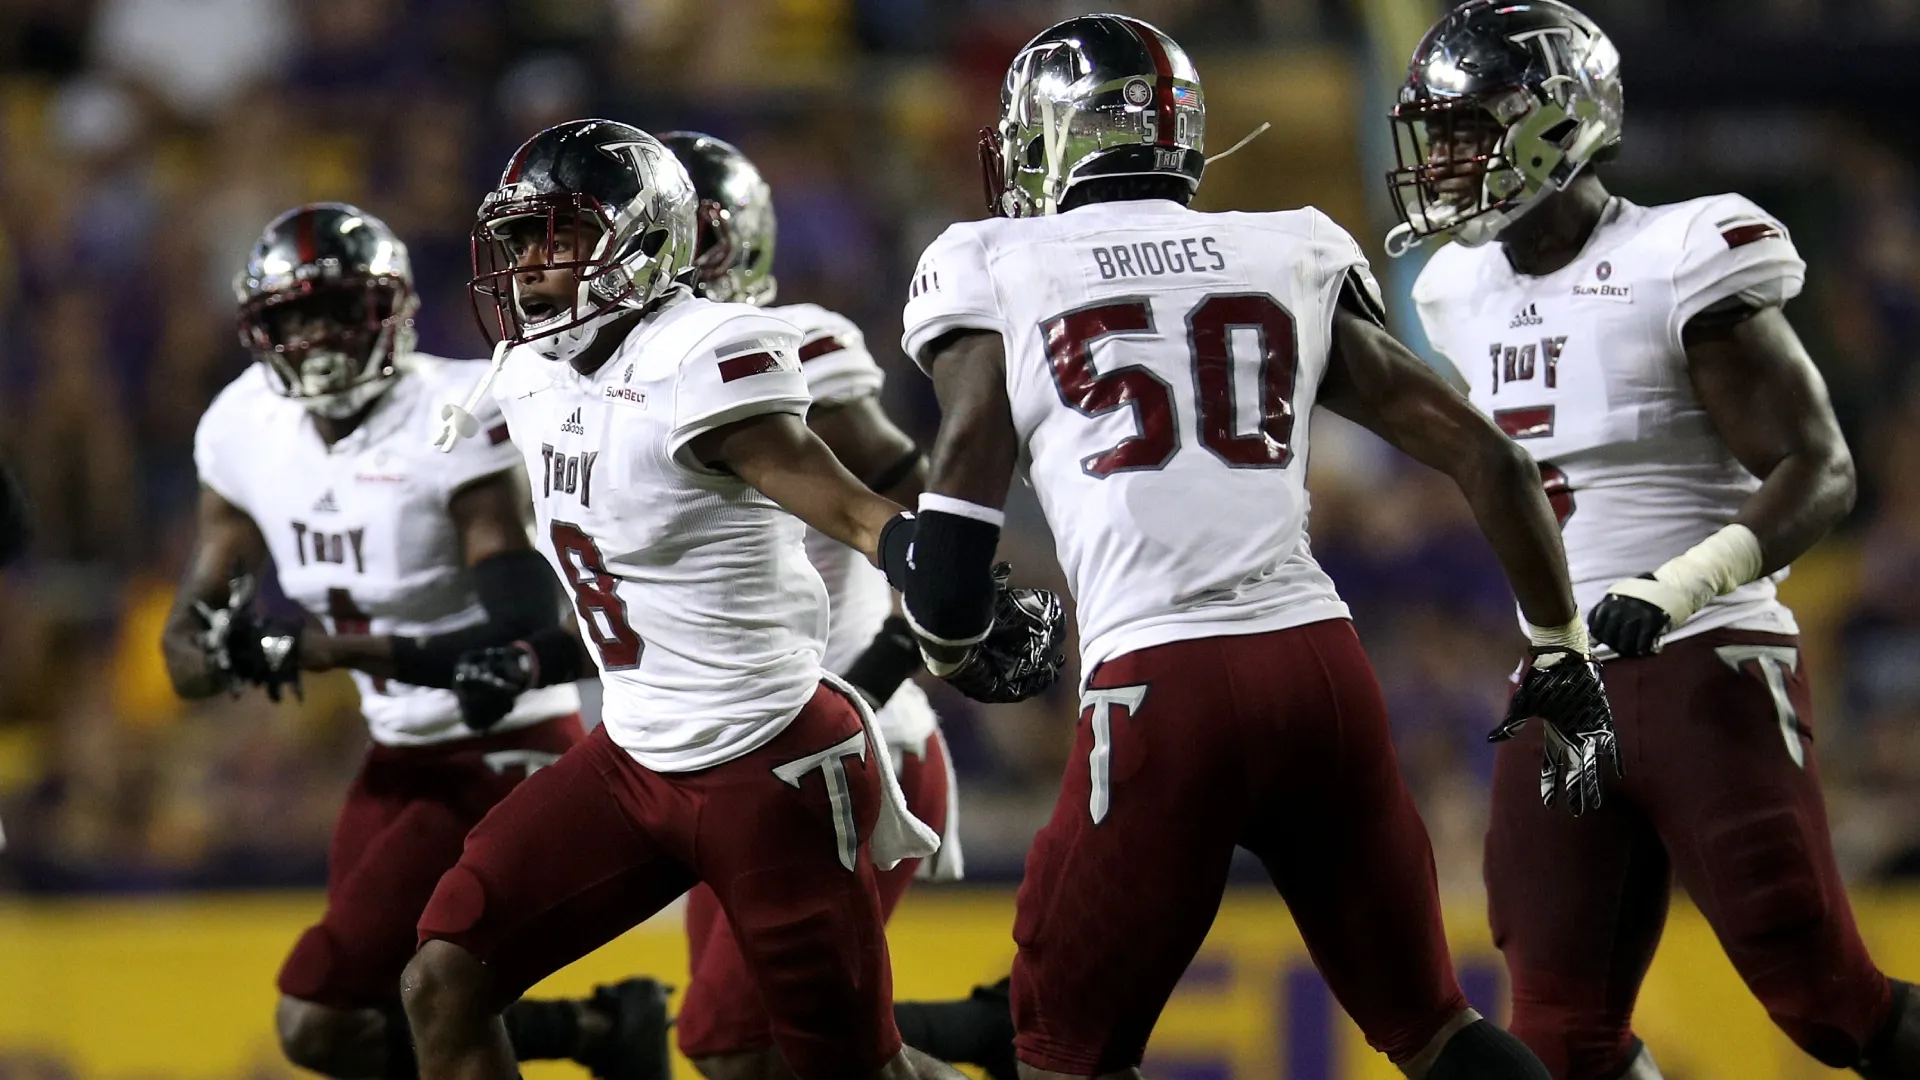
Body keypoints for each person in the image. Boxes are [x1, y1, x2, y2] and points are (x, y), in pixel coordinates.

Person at [895, 13, 1621, 1080]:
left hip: (1163, 680)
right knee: (1433, 1026)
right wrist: (1560, 646)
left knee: (1060, 1056)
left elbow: (966, 458)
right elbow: (1494, 462)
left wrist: (952, 632)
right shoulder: (1289, 245)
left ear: (1049, 139)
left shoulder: (993, 257)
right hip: (1320, 668)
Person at [403, 119, 1064, 1080]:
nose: (528, 266)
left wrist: (940, 574)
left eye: (557, 238)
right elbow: (617, 592)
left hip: (768, 764)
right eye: (517, 242)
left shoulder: (703, 353)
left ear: (642, 242)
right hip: (632, 757)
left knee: (824, 1068)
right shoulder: (528, 372)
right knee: (443, 979)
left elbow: (846, 499)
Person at [1386, 2, 1920, 1077]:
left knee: (1823, 999)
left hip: (1702, 654)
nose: (1441, 160)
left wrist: (1681, 585)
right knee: (1557, 1033)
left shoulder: (1678, 254)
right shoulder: (1453, 290)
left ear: (1553, 126)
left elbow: (1821, 467)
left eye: (1466, 130)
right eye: (1435, 135)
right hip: (1558, 674)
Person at [159, 204, 666, 1080]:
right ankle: (600, 1030)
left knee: (319, 1016)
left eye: (337, 309)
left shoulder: (455, 412)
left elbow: (517, 625)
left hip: (504, 743)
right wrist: (225, 652)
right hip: (395, 752)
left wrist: (325, 652)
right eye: (294, 317)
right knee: (374, 1016)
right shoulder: (242, 426)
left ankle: (602, 1030)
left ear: (390, 310)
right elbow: (186, 647)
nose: (317, 338)